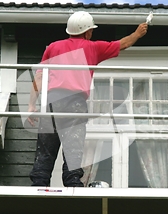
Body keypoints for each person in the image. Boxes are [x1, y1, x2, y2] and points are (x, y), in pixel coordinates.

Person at [28, 11, 148, 187]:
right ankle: (72, 184)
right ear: (87, 32)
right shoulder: (93, 47)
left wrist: (32, 105)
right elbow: (124, 43)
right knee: (73, 146)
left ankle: (38, 184)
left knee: (46, 149)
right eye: (91, 30)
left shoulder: (52, 48)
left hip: (51, 102)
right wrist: (138, 33)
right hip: (74, 103)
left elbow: (38, 78)